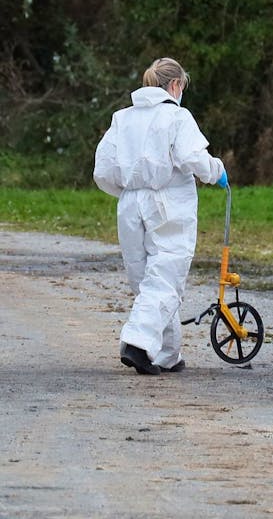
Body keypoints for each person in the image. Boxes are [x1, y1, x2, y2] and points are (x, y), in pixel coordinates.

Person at [93, 57, 228, 375]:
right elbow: (191, 156)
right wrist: (217, 171)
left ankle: (167, 353)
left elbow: (103, 170)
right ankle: (138, 344)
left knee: (147, 281)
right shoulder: (177, 116)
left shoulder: (121, 118)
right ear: (176, 85)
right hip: (168, 202)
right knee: (166, 279)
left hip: (129, 204)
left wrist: (128, 190)